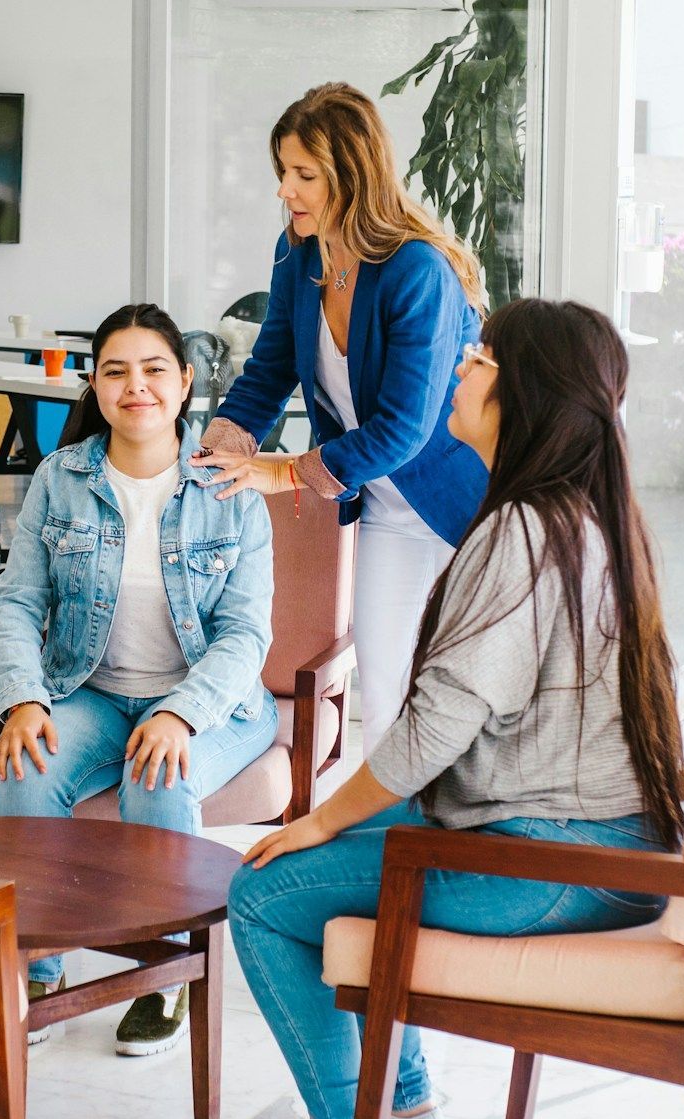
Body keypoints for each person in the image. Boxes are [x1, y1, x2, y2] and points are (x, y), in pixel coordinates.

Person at [221, 299, 684, 1119]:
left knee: (266, 894)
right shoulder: (589, 517)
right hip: (597, 848)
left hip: (555, 861)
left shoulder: (523, 528)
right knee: (339, 848)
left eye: (479, 361)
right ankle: (406, 1107)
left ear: (525, 395)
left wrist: (318, 816)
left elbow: (437, 725)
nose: (461, 371)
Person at [0, 304, 277, 1056]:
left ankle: (166, 970)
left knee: (158, 775)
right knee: (27, 764)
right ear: (95, 382)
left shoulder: (230, 487)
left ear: (185, 383)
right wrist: (21, 699)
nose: (135, 387)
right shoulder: (62, 478)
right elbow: (16, 602)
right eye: (116, 371)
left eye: (154, 370)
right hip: (94, 691)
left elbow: (247, 633)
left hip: (216, 705)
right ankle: (37, 965)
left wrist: (180, 715)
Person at [194, 82, 489, 756]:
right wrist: (224, 439)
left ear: (350, 177)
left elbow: (403, 428)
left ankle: (466, 843)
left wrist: (284, 472)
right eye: (282, 173)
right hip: (386, 512)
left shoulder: (417, 271)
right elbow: (271, 366)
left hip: (463, 512)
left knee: (461, 697)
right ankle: (396, 846)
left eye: (303, 175)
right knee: (386, 694)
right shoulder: (299, 254)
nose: (285, 190)